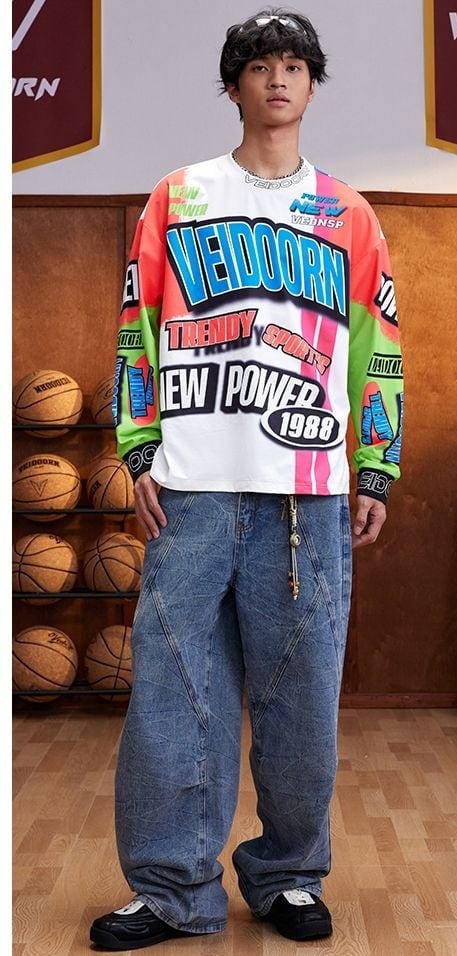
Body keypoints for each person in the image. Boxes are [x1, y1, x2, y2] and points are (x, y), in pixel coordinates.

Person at [90, 8, 403, 950]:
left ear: (311, 85)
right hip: (190, 488)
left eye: (293, 66)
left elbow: (378, 348)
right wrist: (138, 447)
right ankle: (171, 890)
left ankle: (288, 877)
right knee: (171, 697)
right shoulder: (177, 196)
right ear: (232, 86)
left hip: (305, 493)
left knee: (299, 701)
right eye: (259, 66)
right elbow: (136, 327)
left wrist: (375, 464)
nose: (277, 79)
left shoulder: (348, 214)